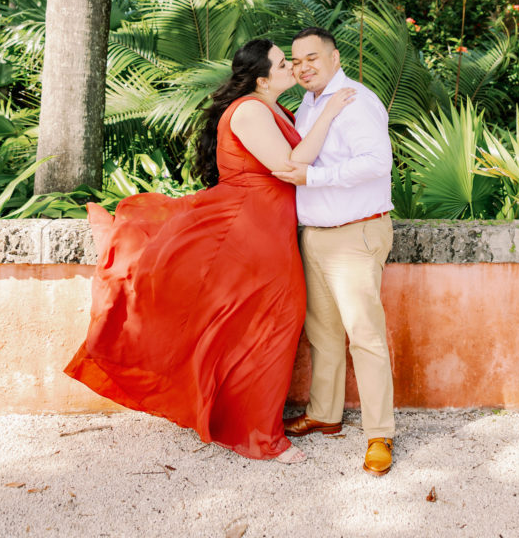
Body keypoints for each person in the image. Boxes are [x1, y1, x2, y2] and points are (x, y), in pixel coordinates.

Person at [64, 38, 355, 464]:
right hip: (248, 228)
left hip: (266, 227)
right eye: (282, 62)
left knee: (265, 321)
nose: (291, 66)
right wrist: (329, 113)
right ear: (262, 78)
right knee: (275, 319)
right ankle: (262, 438)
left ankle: (243, 421)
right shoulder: (252, 110)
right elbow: (289, 165)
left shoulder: (272, 108)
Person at [273, 27, 395, 476]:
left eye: (312, 57)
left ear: (334, 57)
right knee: (322, 333)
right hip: (317, 234)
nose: (303, 66)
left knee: (364, 335)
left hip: (355, 234)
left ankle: (379, 433)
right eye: (296, 60)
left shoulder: (355, 100)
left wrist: (314, 180)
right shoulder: (310, 102)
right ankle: (325, 414)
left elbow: (376, 163)